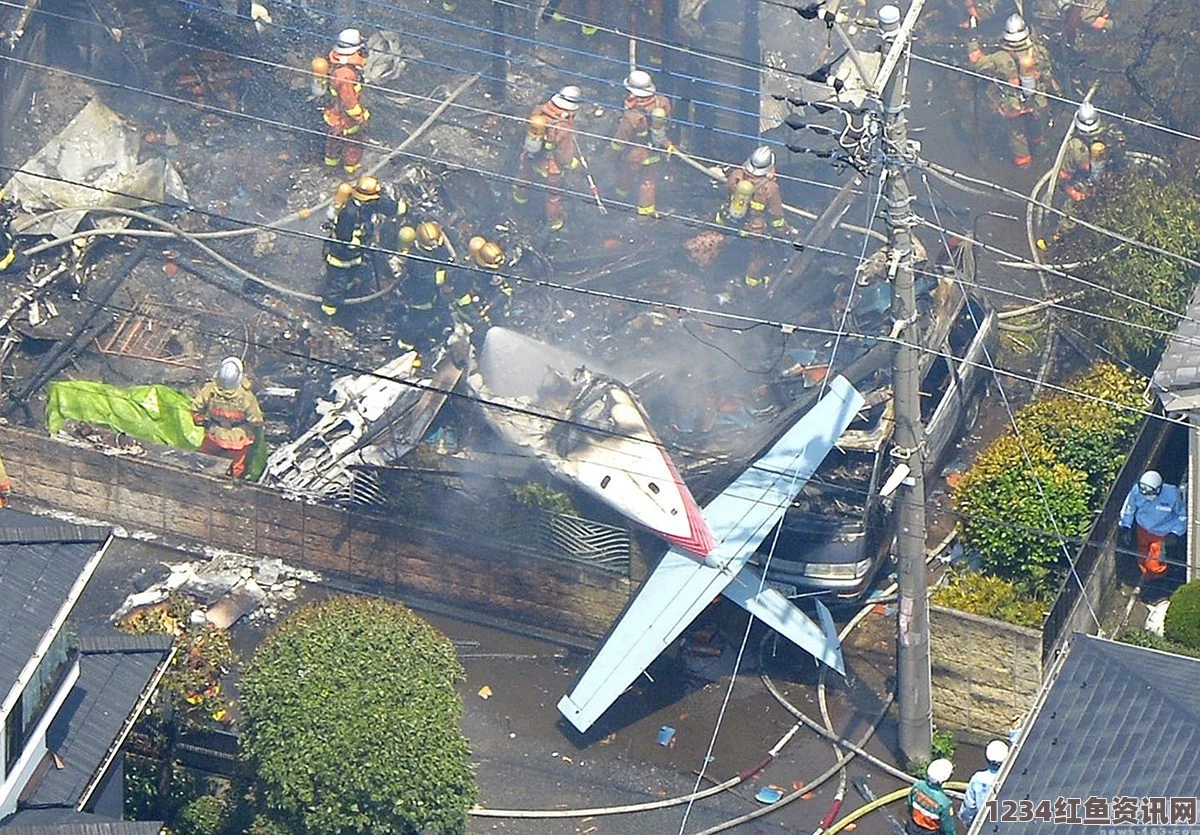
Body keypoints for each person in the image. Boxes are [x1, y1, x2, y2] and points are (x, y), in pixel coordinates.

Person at [968, 14, 1059, 167]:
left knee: (1017, 132)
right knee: (1035, 121)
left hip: (1013, 105)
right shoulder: (1039, 51)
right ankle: (1037, 143)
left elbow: (976, 64)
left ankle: (1024, 162)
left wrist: (972, 40)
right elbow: (1047, 75)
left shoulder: (998, 58)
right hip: (1037, 101)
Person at [321, 175, 405, 318]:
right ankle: (328, 310)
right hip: (341, 256)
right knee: (337, 282)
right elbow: (344, 237)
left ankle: (349, 289)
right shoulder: (349, 212)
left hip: (356, 253)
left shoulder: (368, 205)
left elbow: (385, 206)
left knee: (353, 274)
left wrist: (400, 208)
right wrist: (357, 244)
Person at [715, 145, 788, 290]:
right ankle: (752, 287)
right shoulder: (770, 188)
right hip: (754, 230)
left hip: (729, 221)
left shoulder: (736, 175)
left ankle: (720, 273)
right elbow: (776, 217)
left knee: (725, 248)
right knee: (758, 259)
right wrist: (783, 234)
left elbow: (727, 192)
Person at [513, 86, 582, 232]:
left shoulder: (539, 111)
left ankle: (518, 202)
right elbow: (563, 155)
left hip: (531, 157)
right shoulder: (563, 127)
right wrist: (572, 163)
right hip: (551, 167)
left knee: (523, 180)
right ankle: (555, 224)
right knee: (553, 196)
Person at [611, 69, 673, 220]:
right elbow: (668, 122)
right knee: (648, 181)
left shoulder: (633, 115)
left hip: (635, 154)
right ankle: (644, 214)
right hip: (656, 150)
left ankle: (619, 203)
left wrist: (610, 155)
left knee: (625, 177)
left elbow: (620, 140)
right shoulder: (662, 102)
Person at [192, 357, 264, 478]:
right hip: (238, 439)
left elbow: (196, 409)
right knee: (236, 466)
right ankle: (230, 485)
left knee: (202, 460)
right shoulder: (246, 396)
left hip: (214, 435)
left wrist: (202, 421)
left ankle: (199, 478)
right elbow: (256, 420)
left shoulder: (210, 390)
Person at [313, 28, 371, 175]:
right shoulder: (345, 74)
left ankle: (331, 166)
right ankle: (351, 170)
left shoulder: (335, 61)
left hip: (334, 113)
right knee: (353, 143)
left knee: (333, 141)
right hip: (345, 118)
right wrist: (359, 116)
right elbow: (348, 100)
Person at [1118, 470, 1184, 581]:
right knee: (1142, 556)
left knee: (1154, 564)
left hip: (1161, 535)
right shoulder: (1136, 491)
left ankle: (1158, 578)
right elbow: (1129, 509)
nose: (1147, 496)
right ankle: (1146, 576)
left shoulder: (1172, 494)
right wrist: (1125, 526)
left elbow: (1182, 515)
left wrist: (1175, 533)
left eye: (1150, 493)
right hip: (1143, 530)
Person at [398, 220, 451, 357]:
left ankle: (442, 329)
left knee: (438, 311)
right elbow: (426, 279)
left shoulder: (426, 251)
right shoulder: (416, 259)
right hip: (420, 297)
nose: (434, 247)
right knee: (416, 322)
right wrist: (443, 276)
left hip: (430, 295)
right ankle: (405, 346)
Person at [1056, 101, 1125, 202]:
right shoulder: (1110, 131)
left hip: (1099, 182)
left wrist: (1070, 191)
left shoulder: (1073, 145)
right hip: (1112, 181)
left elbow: (1064, 173)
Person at [961, 740, 1009, 827]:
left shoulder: (978, 778)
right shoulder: (1010, 778)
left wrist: (968, 822)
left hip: (983, 824)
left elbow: (969, 806)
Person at [906, 758, 956, 835]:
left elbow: (910, 805)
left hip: (912, 827)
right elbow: (948, 828)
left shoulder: (918, 785)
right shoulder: (944, 803)